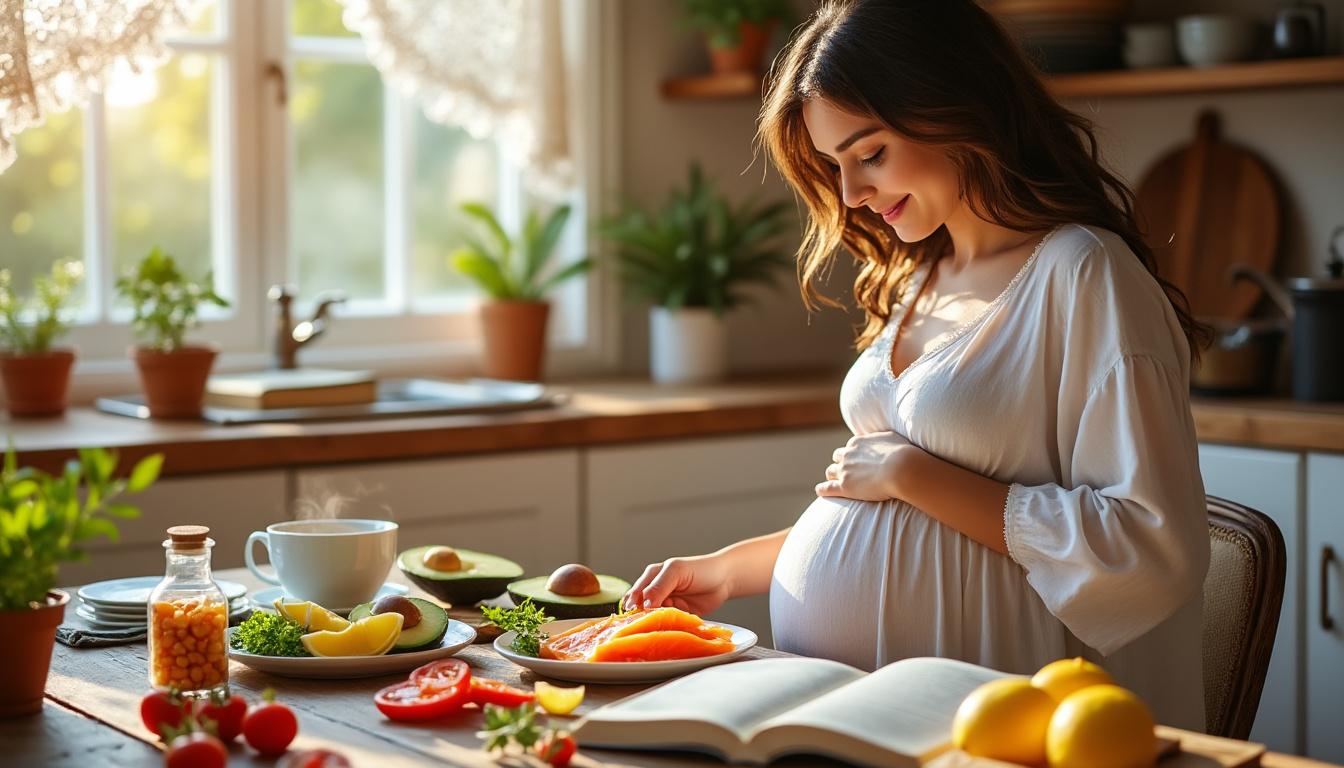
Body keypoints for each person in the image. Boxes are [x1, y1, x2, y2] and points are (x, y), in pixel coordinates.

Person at [622, 0, 1212, 730]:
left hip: (989, 712)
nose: (850, 195)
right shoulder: (919, 277)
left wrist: (913, 474)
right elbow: (896, 509)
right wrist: (733, 567)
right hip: (849, 708)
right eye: (835, 165)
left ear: (959, 108)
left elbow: (1150, 546)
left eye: (870, 153)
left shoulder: (1083, 273)